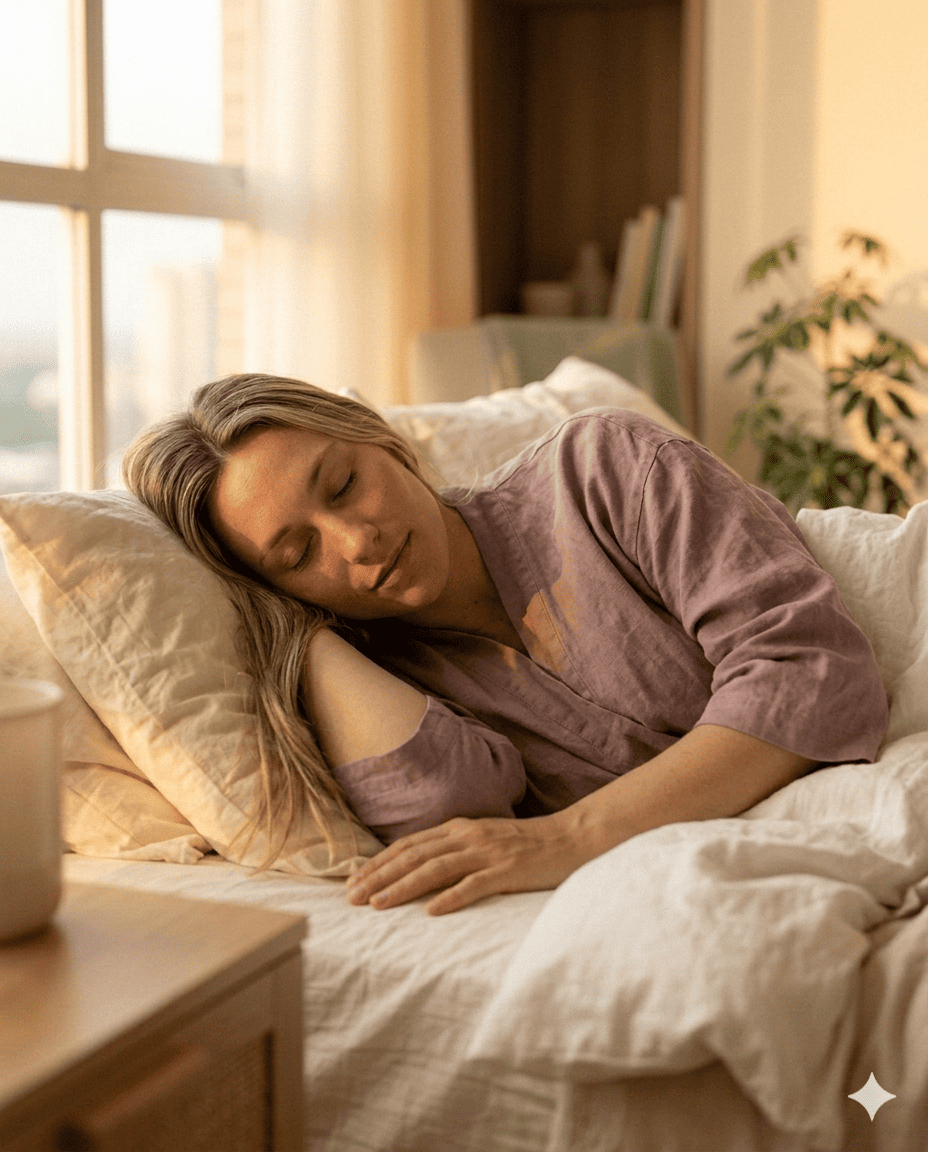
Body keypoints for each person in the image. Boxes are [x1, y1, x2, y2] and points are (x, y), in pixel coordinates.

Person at [123, 373, 889, 915]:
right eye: (296, 554)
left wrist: (569, 837)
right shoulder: (384, 683)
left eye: (344, 484)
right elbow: (446, 805)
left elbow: (812, 669)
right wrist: (299, 630)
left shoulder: (602, 469)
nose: (357, 541)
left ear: (381, 441)